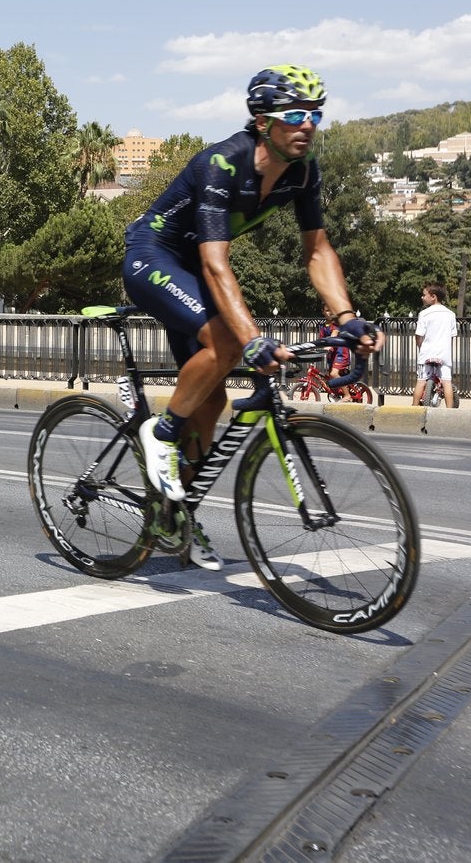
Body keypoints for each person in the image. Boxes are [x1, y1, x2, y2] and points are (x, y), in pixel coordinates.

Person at [122, 65, 378, 570]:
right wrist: (253, 339)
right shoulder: (222, 162)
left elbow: (317, 250)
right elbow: (216, 265)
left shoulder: (302, 171)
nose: (308, 125)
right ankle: (161, 433)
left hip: (194, 271)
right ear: (263, 121)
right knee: (229, 343)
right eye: (296, 115)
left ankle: (173, 517)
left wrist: (347, 318)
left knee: (212, 401)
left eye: (315, 114)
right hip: (153, 256)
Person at [413, 282, 457, 407]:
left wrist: (421, 347)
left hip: (426, 353)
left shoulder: (424, 314)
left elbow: (419, 335)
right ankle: (450, 411)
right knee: (447, 382)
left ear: (433, 297)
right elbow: (452, 335)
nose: (422, 297)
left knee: (421, 382)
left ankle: (414, 408)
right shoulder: (450, 314)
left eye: (424, 295)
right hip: (444, 354)